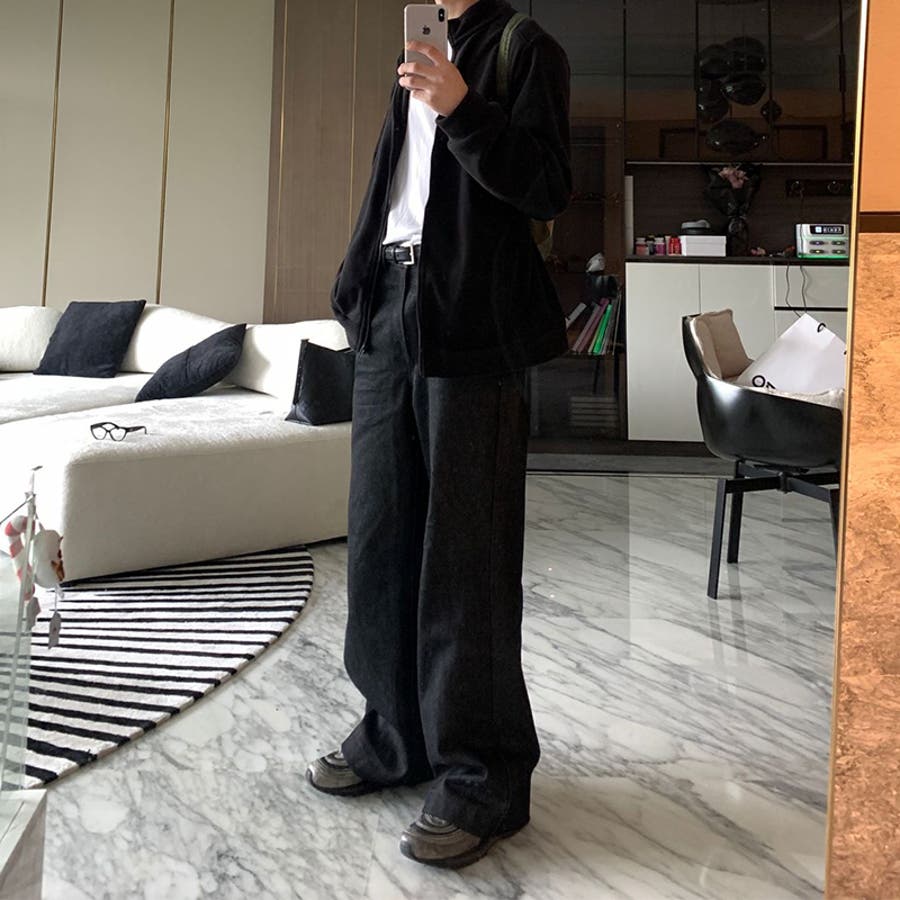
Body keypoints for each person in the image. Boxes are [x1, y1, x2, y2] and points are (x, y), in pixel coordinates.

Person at [306, 0, 571, 869]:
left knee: (467, 555)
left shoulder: (525, 48)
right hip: (390, 306)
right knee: (380, 538)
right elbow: (398, 179)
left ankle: (482, 777)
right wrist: (356, 279)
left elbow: (546, 186)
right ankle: (395, 736)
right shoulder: (416, 48)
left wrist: (463, 107)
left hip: (471, 319)